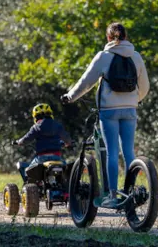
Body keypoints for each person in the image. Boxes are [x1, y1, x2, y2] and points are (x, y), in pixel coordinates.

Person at [61, 22, 150, 208]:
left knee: (112, 152)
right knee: (129, 151)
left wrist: (70, 96)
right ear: (126, 36)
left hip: (109, 111)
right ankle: (130, 192)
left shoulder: (103, 56)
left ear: (108, 37)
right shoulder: (136, 56)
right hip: (130, 109)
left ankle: (112, 195)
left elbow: (86, 82)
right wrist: (135, 100)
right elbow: (145, 86)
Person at [15, 103, 72, 200]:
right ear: (50, 114)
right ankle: (67, 192)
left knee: (28, 172)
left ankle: (30, 192)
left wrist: (19, 142)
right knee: (67, 174)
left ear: (35, 117)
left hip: (41, 158)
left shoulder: (36, 126)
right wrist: (67, 143)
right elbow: (67, 139)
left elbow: (26, 139)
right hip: (56, 157)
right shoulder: (57, 125)